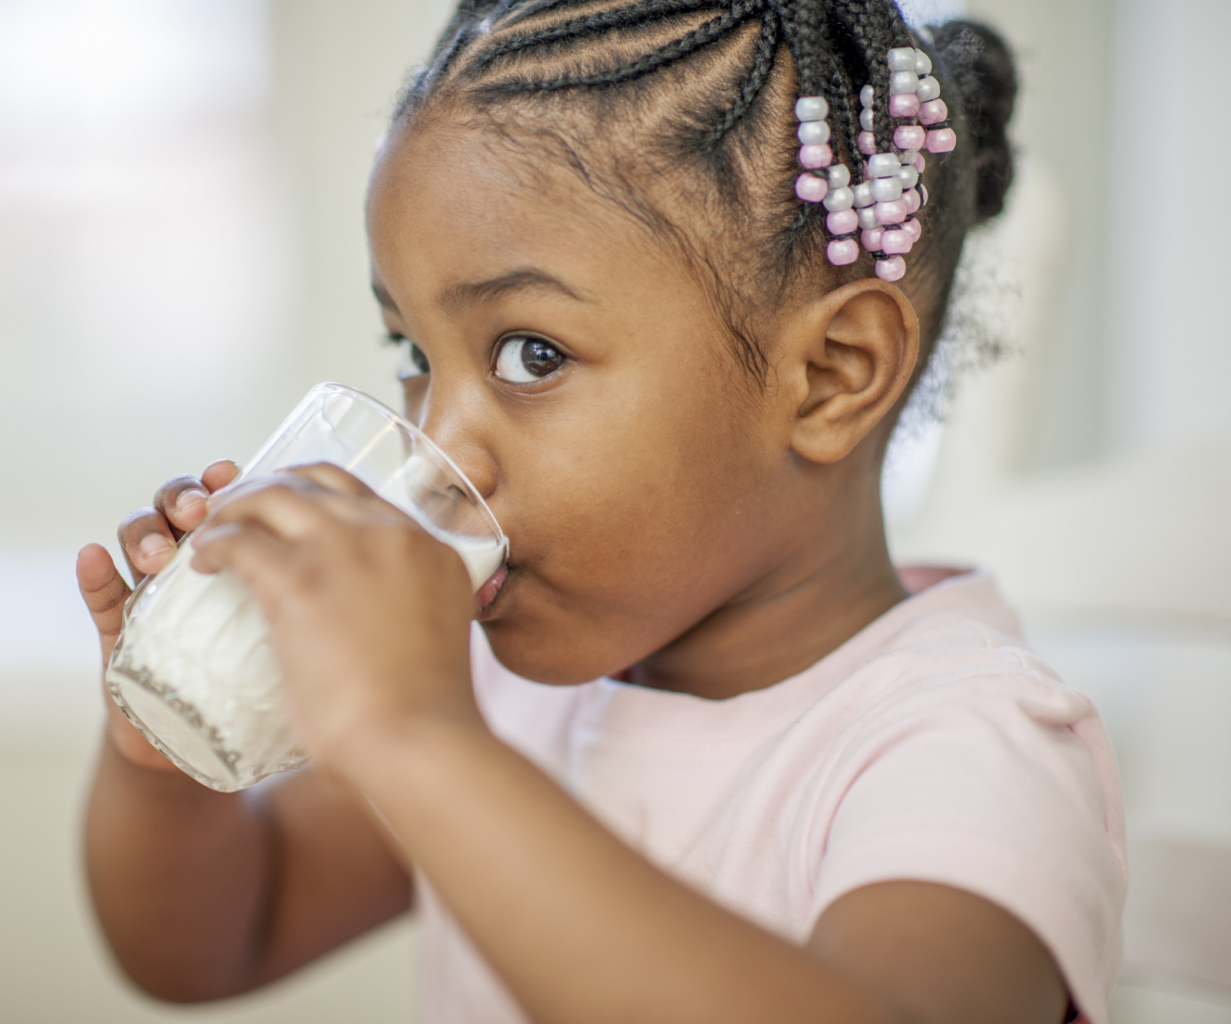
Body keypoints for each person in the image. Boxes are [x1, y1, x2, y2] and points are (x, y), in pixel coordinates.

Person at [76, 3, 1126, 1022]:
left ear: (829, 375)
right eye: (412, 356)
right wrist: (164, 757)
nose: (440, 453)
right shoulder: (494, 690)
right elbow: (216, 939)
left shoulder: (963, 747)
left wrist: (421, 737)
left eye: (531, 354)